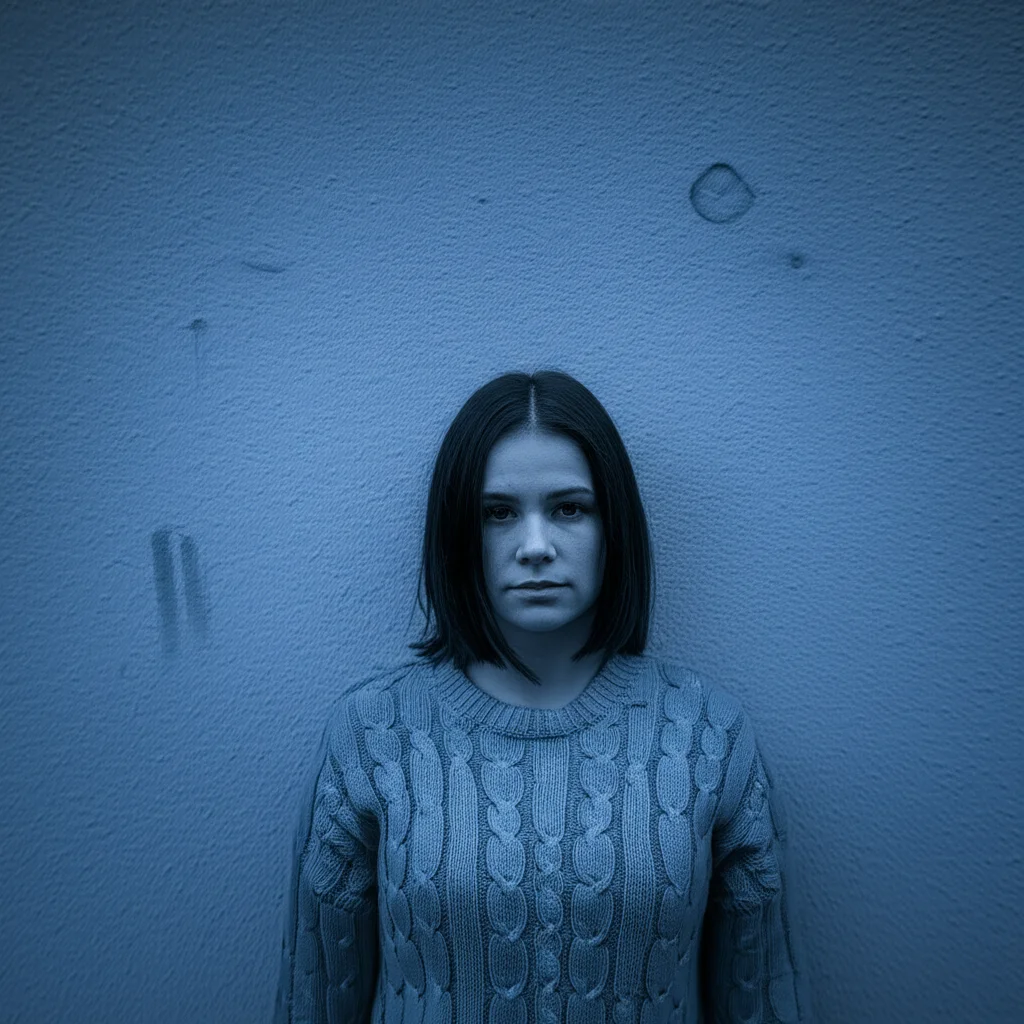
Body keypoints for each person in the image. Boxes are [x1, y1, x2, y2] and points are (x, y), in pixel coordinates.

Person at [273, 368, 814, 1023]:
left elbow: (762, 997)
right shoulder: (373, 734)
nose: (535, 547)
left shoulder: (707, 735)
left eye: (569, 508)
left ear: (612, 524)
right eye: (498, 513)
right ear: (458, 534)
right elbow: (317, 998)